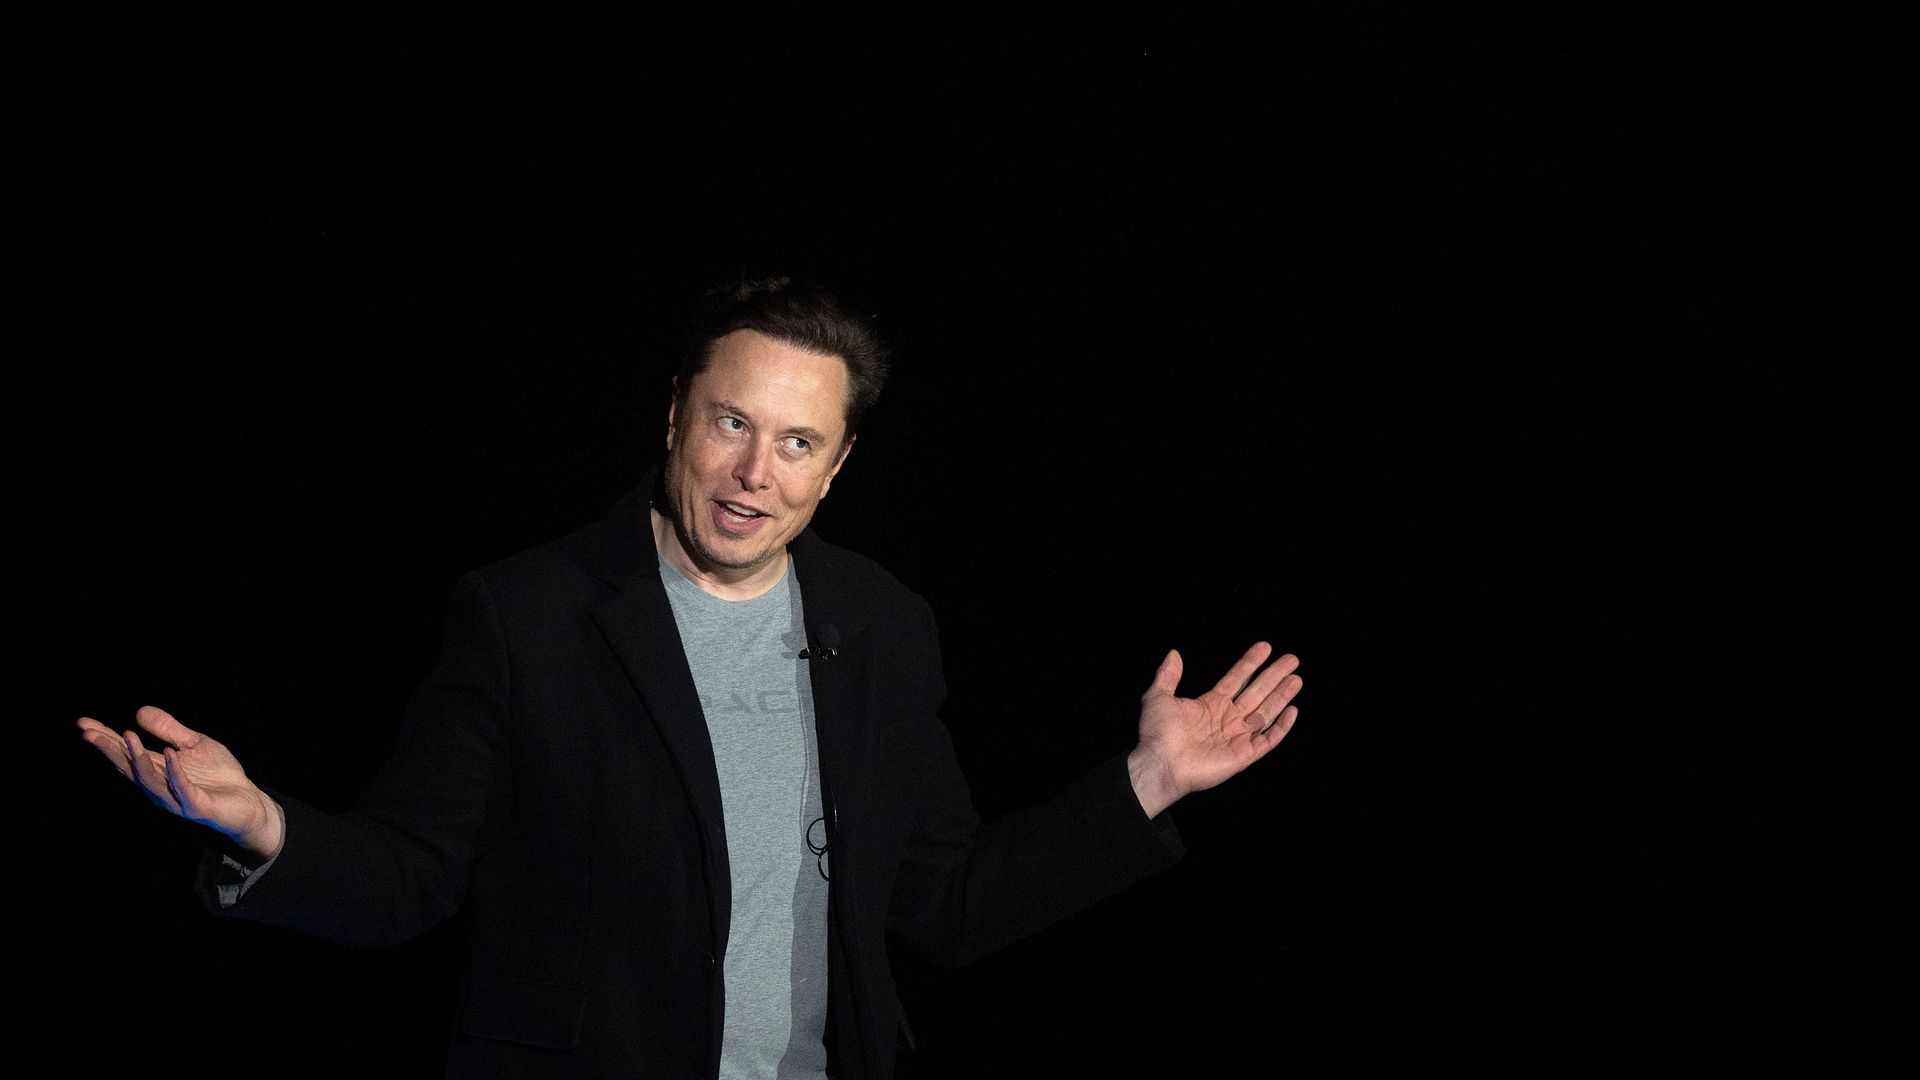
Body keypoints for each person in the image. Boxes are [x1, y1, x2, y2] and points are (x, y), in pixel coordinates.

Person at [77, 273, 1304, 1080]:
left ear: (838, 465)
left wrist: (1141, 785)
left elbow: (942, 901)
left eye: (797, 442)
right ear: (675, 414)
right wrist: (265, 827)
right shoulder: (528, 614)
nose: (752, 472)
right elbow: (411, 875)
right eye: (730, 422)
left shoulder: (882, 623)